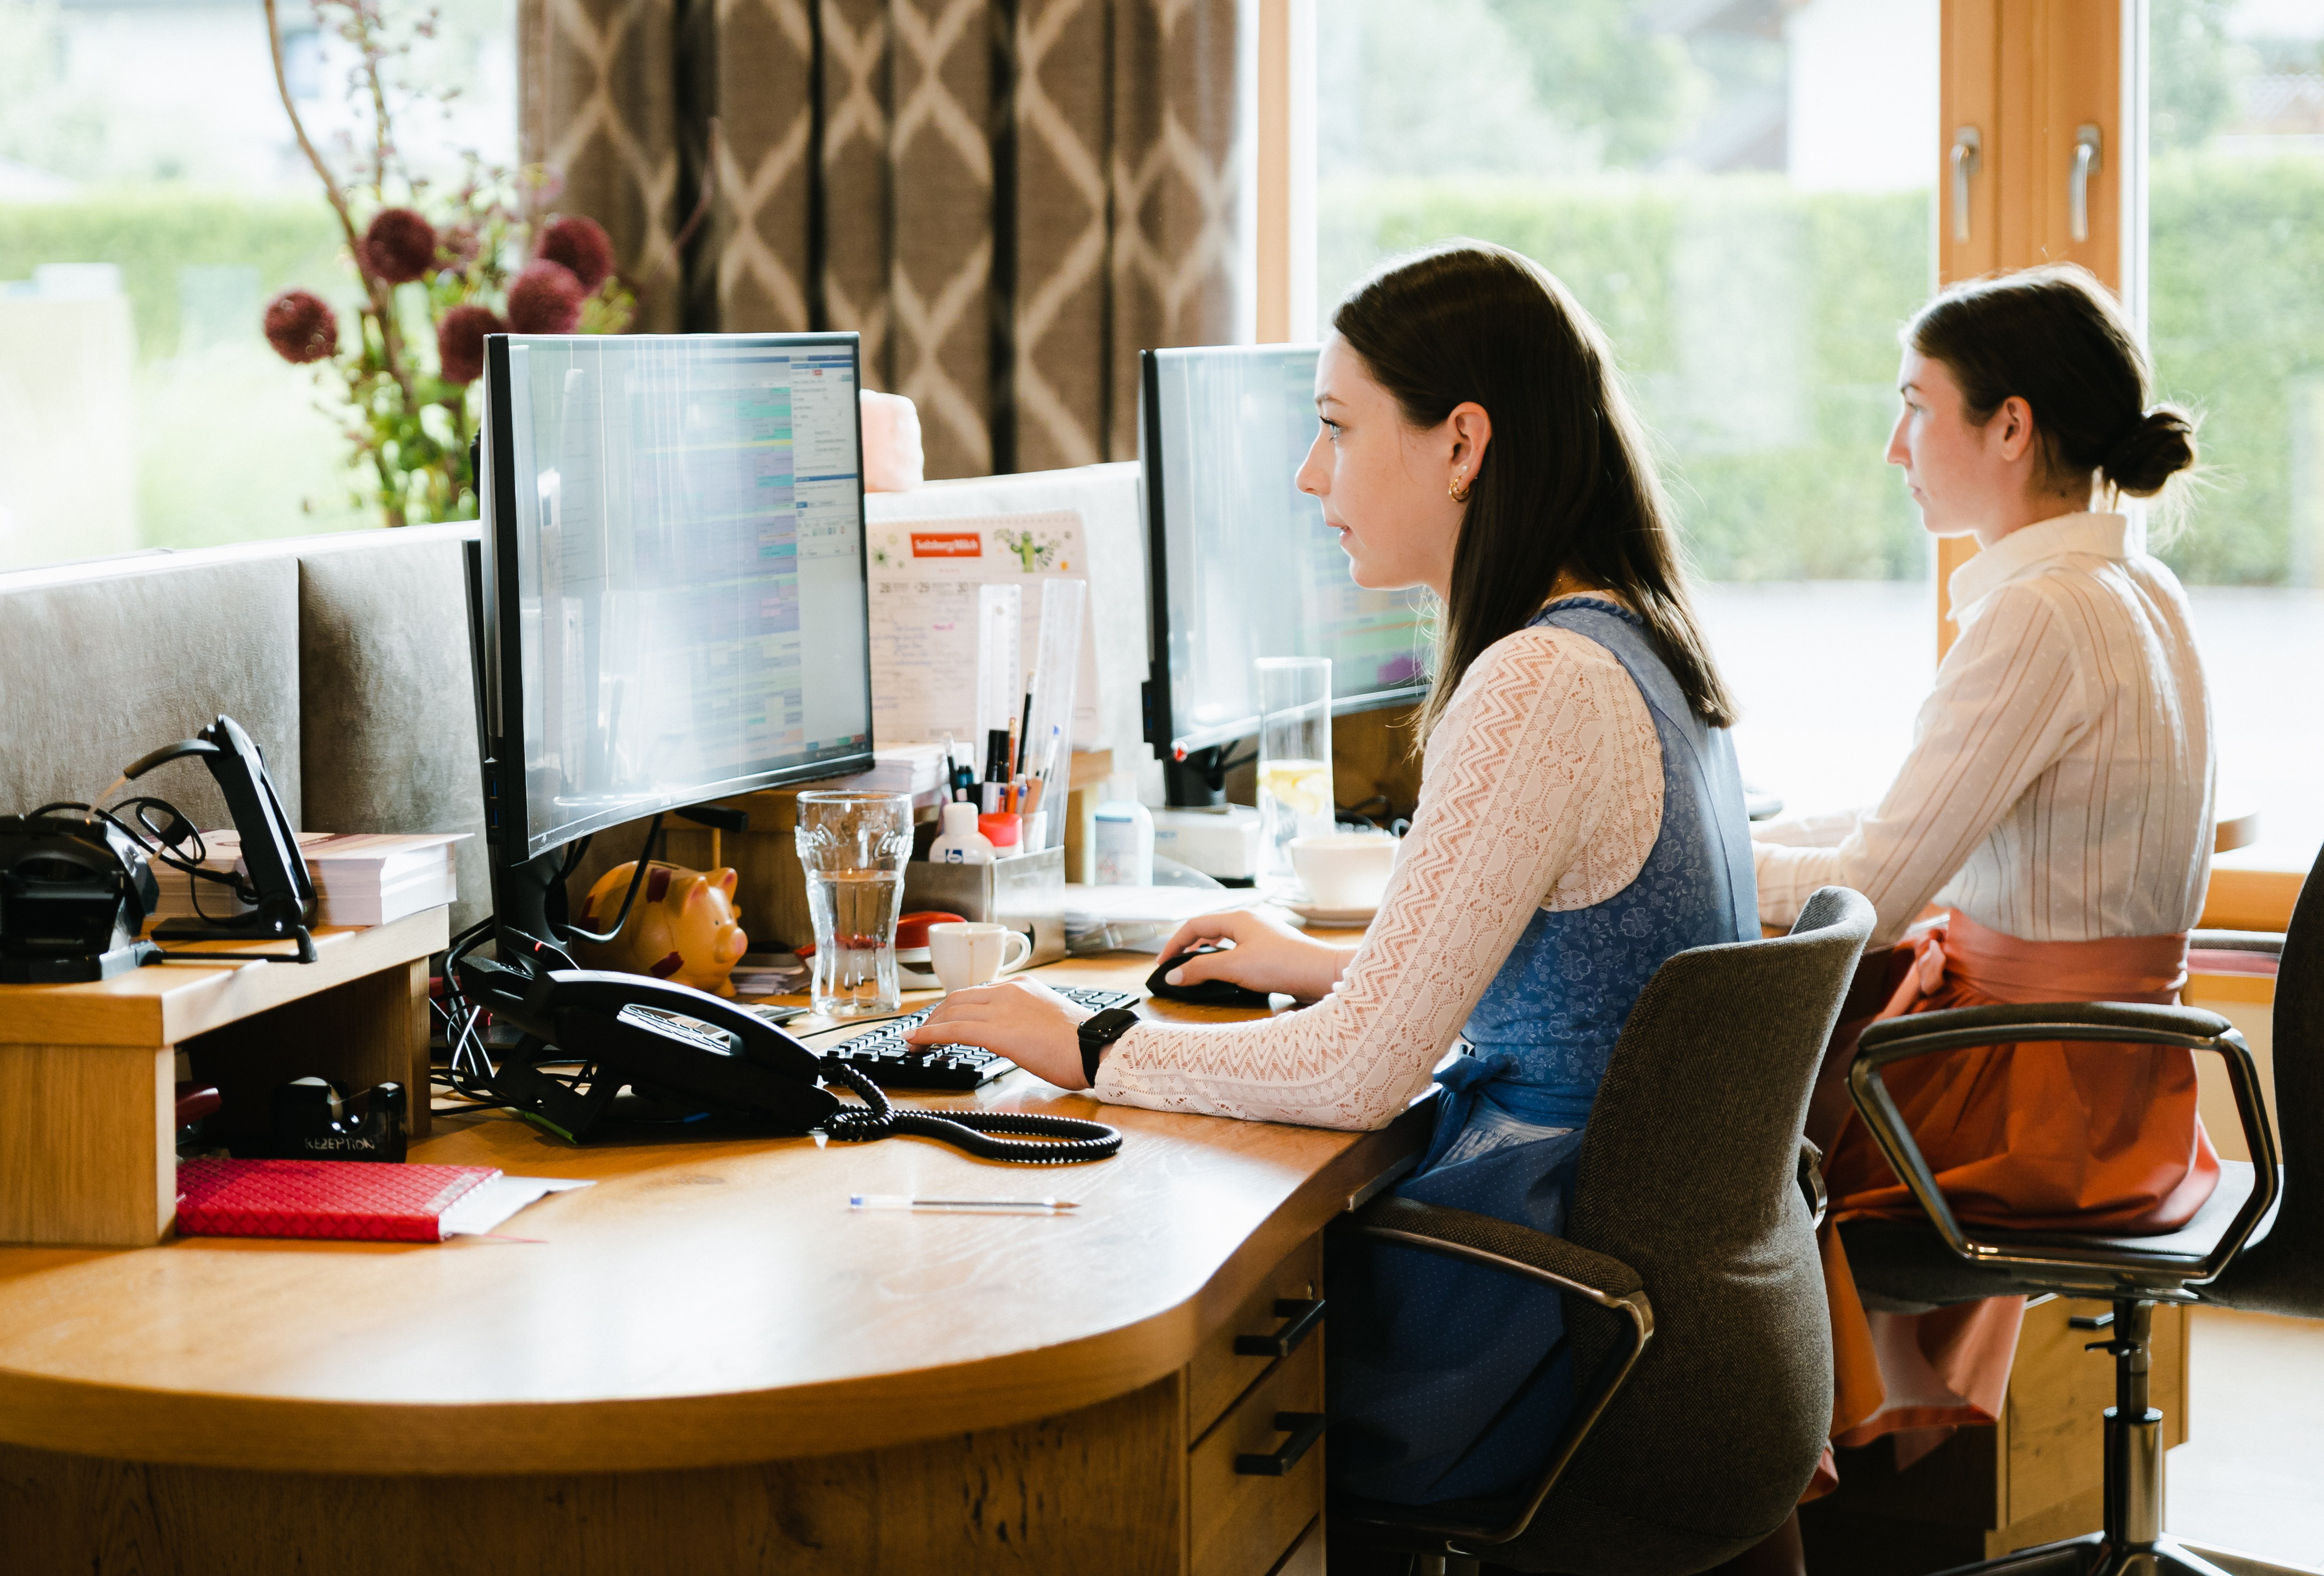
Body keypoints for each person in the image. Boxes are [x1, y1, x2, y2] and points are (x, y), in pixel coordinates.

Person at [908, 240, 1761, 1514]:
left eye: (1334, 428)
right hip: (1640, 1298)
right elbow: (1571, 962)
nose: (1311, 477)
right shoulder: (1627, 636)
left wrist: (1088, 1044)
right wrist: (1329, 962)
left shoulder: (1535, 683)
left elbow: (1354, 1074)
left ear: (1460, 444)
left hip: (1542, 1326)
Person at [1751, 262, 2215, 1478]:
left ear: (2007, 426)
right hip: (2116, 1085)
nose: (1892, 445)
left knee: (1712, 1155)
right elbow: (1934, 816)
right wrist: (1748, 838)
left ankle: (1732, 1492)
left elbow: (1874, 891)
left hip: (2025, 1103)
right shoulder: (2135, 590)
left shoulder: (2035, 616)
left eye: (1913, 404)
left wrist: (1686, 855)